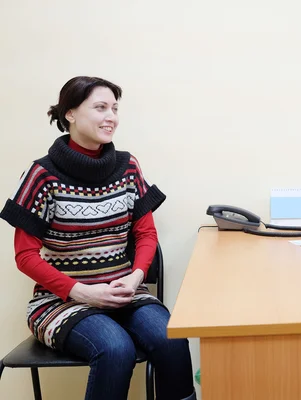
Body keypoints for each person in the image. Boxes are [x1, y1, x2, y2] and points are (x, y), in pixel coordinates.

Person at [0, 76, 196, 399]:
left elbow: (146, 233)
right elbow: (25, 257)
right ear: (71, 114)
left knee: (171, 338)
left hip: (124, 293)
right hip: (59, 302)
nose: (111, 117)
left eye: (115, 109)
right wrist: (84, 293)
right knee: (115, 349)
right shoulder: (42, 176)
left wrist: (135, 279)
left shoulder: (128, 166)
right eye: (101, 107)